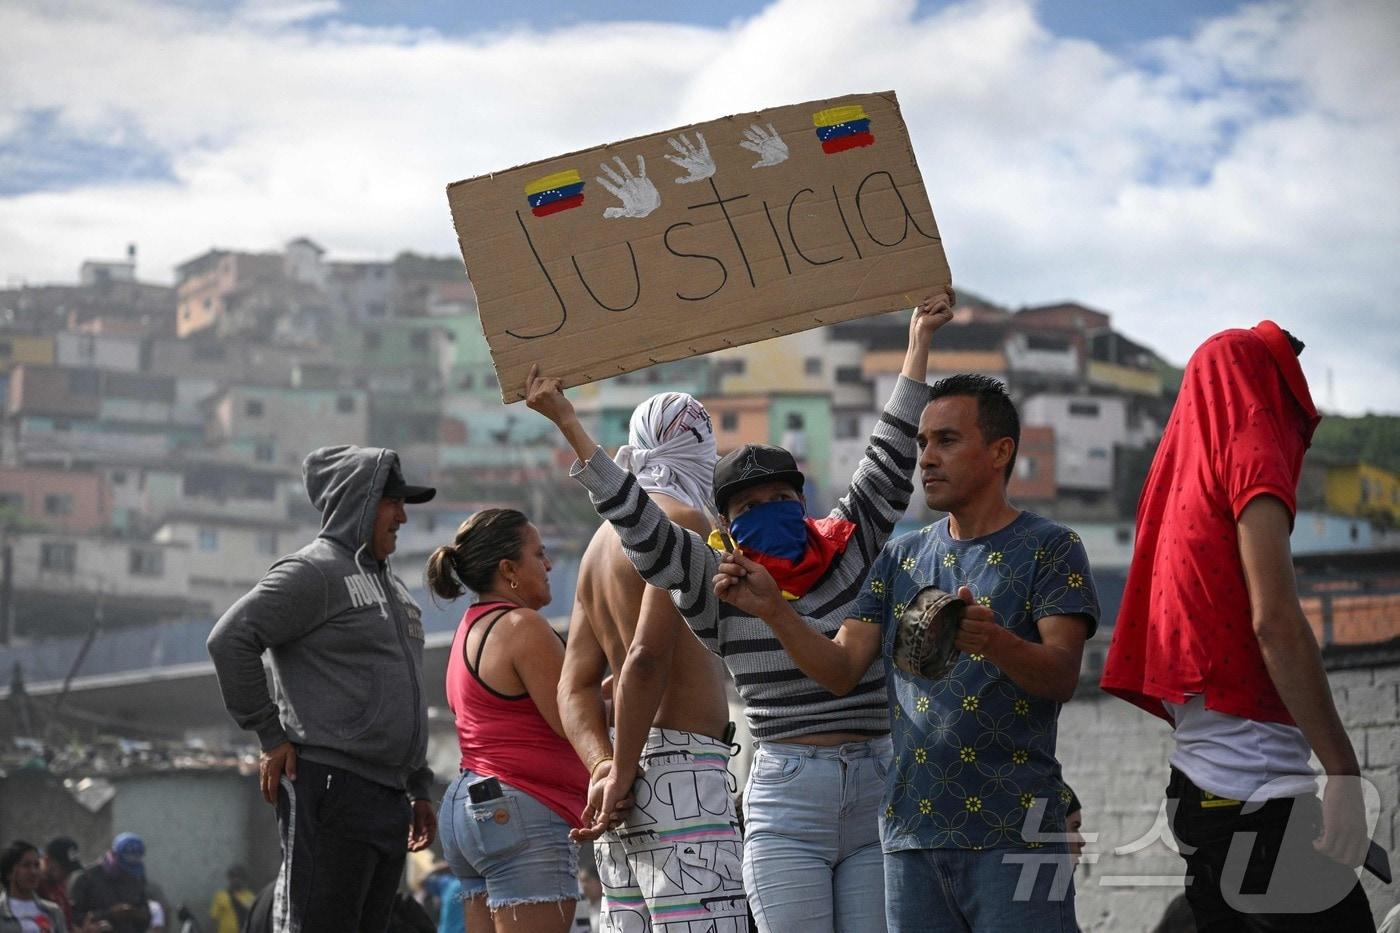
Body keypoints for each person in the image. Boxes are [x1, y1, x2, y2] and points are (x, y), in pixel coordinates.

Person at [527, 288, 955, 932]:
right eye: (748, 508)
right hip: (787, 796)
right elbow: (639, 524)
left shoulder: (849, 544)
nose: (767, 511)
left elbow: (890, 457)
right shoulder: (714, 578)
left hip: (873, 784)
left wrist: (918, 341)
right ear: (724, 522)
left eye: (780, 496)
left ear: (804, 501)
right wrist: (567, 422)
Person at [715, 373, 1099, 930]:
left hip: (1021, 832)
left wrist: (995, 642)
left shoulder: (1052, 546)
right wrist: (776, 610)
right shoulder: (900, 558)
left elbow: (1063, 675)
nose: (926, 459)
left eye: (946, 441)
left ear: (1000, 451)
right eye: (921, 444)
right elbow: (841, 670)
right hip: (910, 837)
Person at [1100, 321, 1375, 930]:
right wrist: (1345, 772)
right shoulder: (1250, 450)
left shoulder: (1174, 493)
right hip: (1262, 805)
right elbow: (1276, 623)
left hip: (1200, 801)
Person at [207, 445, 439, 932]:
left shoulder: (391, 585)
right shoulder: (313, 571)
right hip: (332, 785)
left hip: (388, 794)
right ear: (359, 500)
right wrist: (270, 735)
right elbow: (230, 640)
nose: (401, 516)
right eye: (391, 501)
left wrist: (418, 785)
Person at [554, 391, 745, 931]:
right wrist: (624, 770)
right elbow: (644, 660)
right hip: (679, 776)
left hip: (619, 781)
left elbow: (573, 686)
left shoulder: (597, 545)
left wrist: (603, 765)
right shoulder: (682, 521)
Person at [426, 508, 589, 932]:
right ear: (509, 570)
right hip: (522, 810)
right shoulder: (524, 626)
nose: (549, 564)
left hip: (471, 806)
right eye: (539, 554)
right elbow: (573, 722)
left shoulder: (470, 627)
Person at [69, 834, 150, 933]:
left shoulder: (136, 878)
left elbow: (146, 915)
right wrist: (109, 914)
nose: (127, 874)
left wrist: (136, 914)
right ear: (113, 855)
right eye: (124, 868)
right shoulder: (86, 878)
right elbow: (73, 917)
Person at [2, 839, 69, 933]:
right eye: (26, 865)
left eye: (37, 865)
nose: (33, 872)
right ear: (9, 872)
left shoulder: (53, 912)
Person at [37, 837, 81, 926]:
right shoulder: (34, 888)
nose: (67, 875)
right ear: (47, 861)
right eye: (64, 869)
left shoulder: (59, 888)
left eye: (70, 870)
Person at [206, 866, 253, 933]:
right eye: (233, 877)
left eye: (239, 877)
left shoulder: (250, 897)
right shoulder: (221, 896)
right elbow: (213, 919)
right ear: (229, 879)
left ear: (243, 879)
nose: (236, 880)